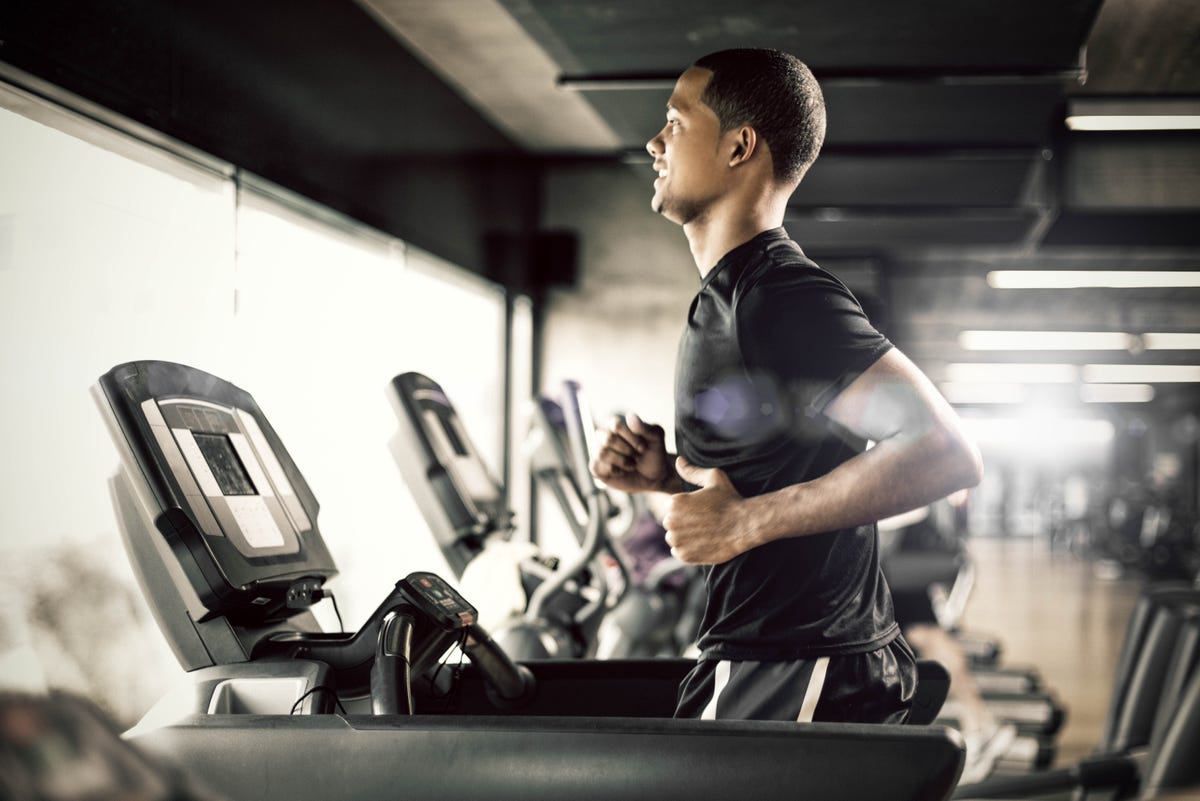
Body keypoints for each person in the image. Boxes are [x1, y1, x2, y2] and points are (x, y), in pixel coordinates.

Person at [590, 48, 983, 724]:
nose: (655, 143)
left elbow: (943, 451)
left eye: (676, 123)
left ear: (740, 146)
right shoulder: (734, 298)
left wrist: (746, 520)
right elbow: (769, 485)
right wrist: (668, 483)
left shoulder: (781, 296)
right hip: (778, 652)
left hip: (795, 662)